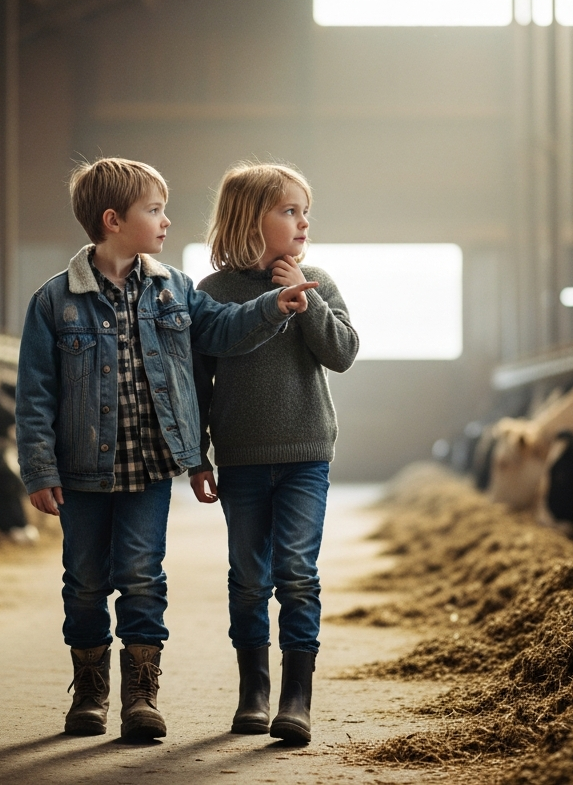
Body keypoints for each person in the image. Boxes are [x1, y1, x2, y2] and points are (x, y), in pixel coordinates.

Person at [14, 157, 318, 740]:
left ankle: (140, 698)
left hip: (150, 466)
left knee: (142, 577)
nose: (166, 220)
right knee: (84, 581)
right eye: (154, 210)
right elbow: (35, 393)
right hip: (81, 470)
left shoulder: (173, 288)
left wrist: (271, 306)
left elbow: (222, 328)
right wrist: (39, 468)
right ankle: (91, 693)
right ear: (113, 220)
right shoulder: (54, 302)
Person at [189, 162, 359, 745]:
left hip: (306, 454)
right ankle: (253, 693)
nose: (303, 221)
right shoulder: (213, 293)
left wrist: (307, 302)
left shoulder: (318, 282)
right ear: (249, 219)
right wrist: (198, 455)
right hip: (241, 456)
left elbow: (342, 354)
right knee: (247, 577)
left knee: (297, 573)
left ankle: (296, 699)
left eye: (305, 211)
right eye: (289, 211)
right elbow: (198, 378)